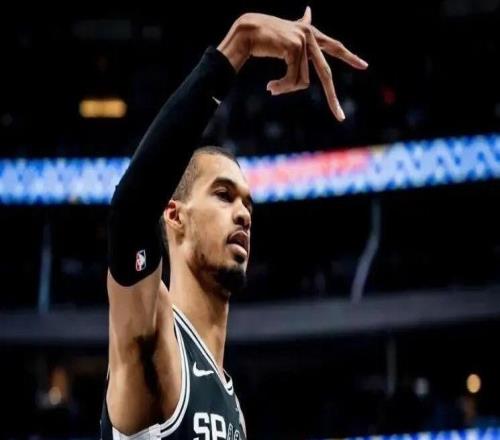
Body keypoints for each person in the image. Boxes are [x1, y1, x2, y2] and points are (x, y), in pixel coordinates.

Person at [100, 7, 368, 439]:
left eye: (247, 204)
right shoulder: (157, 332)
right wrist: (237, 47)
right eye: (223, 195)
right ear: (174, 215)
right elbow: (130, 213)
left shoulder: (232, 407)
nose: (243, 213)